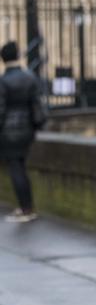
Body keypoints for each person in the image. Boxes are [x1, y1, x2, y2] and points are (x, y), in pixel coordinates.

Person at [0, 40, 47, 223]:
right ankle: (27, 207)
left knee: (16, 169)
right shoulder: (30, 77)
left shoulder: (3, 82)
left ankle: (26, 209)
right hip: (27, 130)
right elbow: (37, 106)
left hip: (9, 133)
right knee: (21, 167)